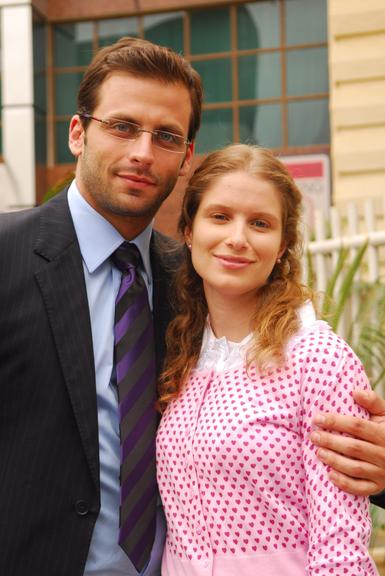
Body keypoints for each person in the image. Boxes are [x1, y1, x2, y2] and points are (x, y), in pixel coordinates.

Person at [0, 34, 384, 576]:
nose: (141, 151)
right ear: (78, 133)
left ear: (185, 158)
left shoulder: (200, 284)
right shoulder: (6, 257)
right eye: (123, 126)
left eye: (165, 136)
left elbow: (313, 437)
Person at [156, 144, 380, 575]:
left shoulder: (317, 358)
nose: (237, 238)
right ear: (188, 229)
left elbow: (341, 545)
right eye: (220, 216)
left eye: (260, 223)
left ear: (282, 246)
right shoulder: (180, 354)